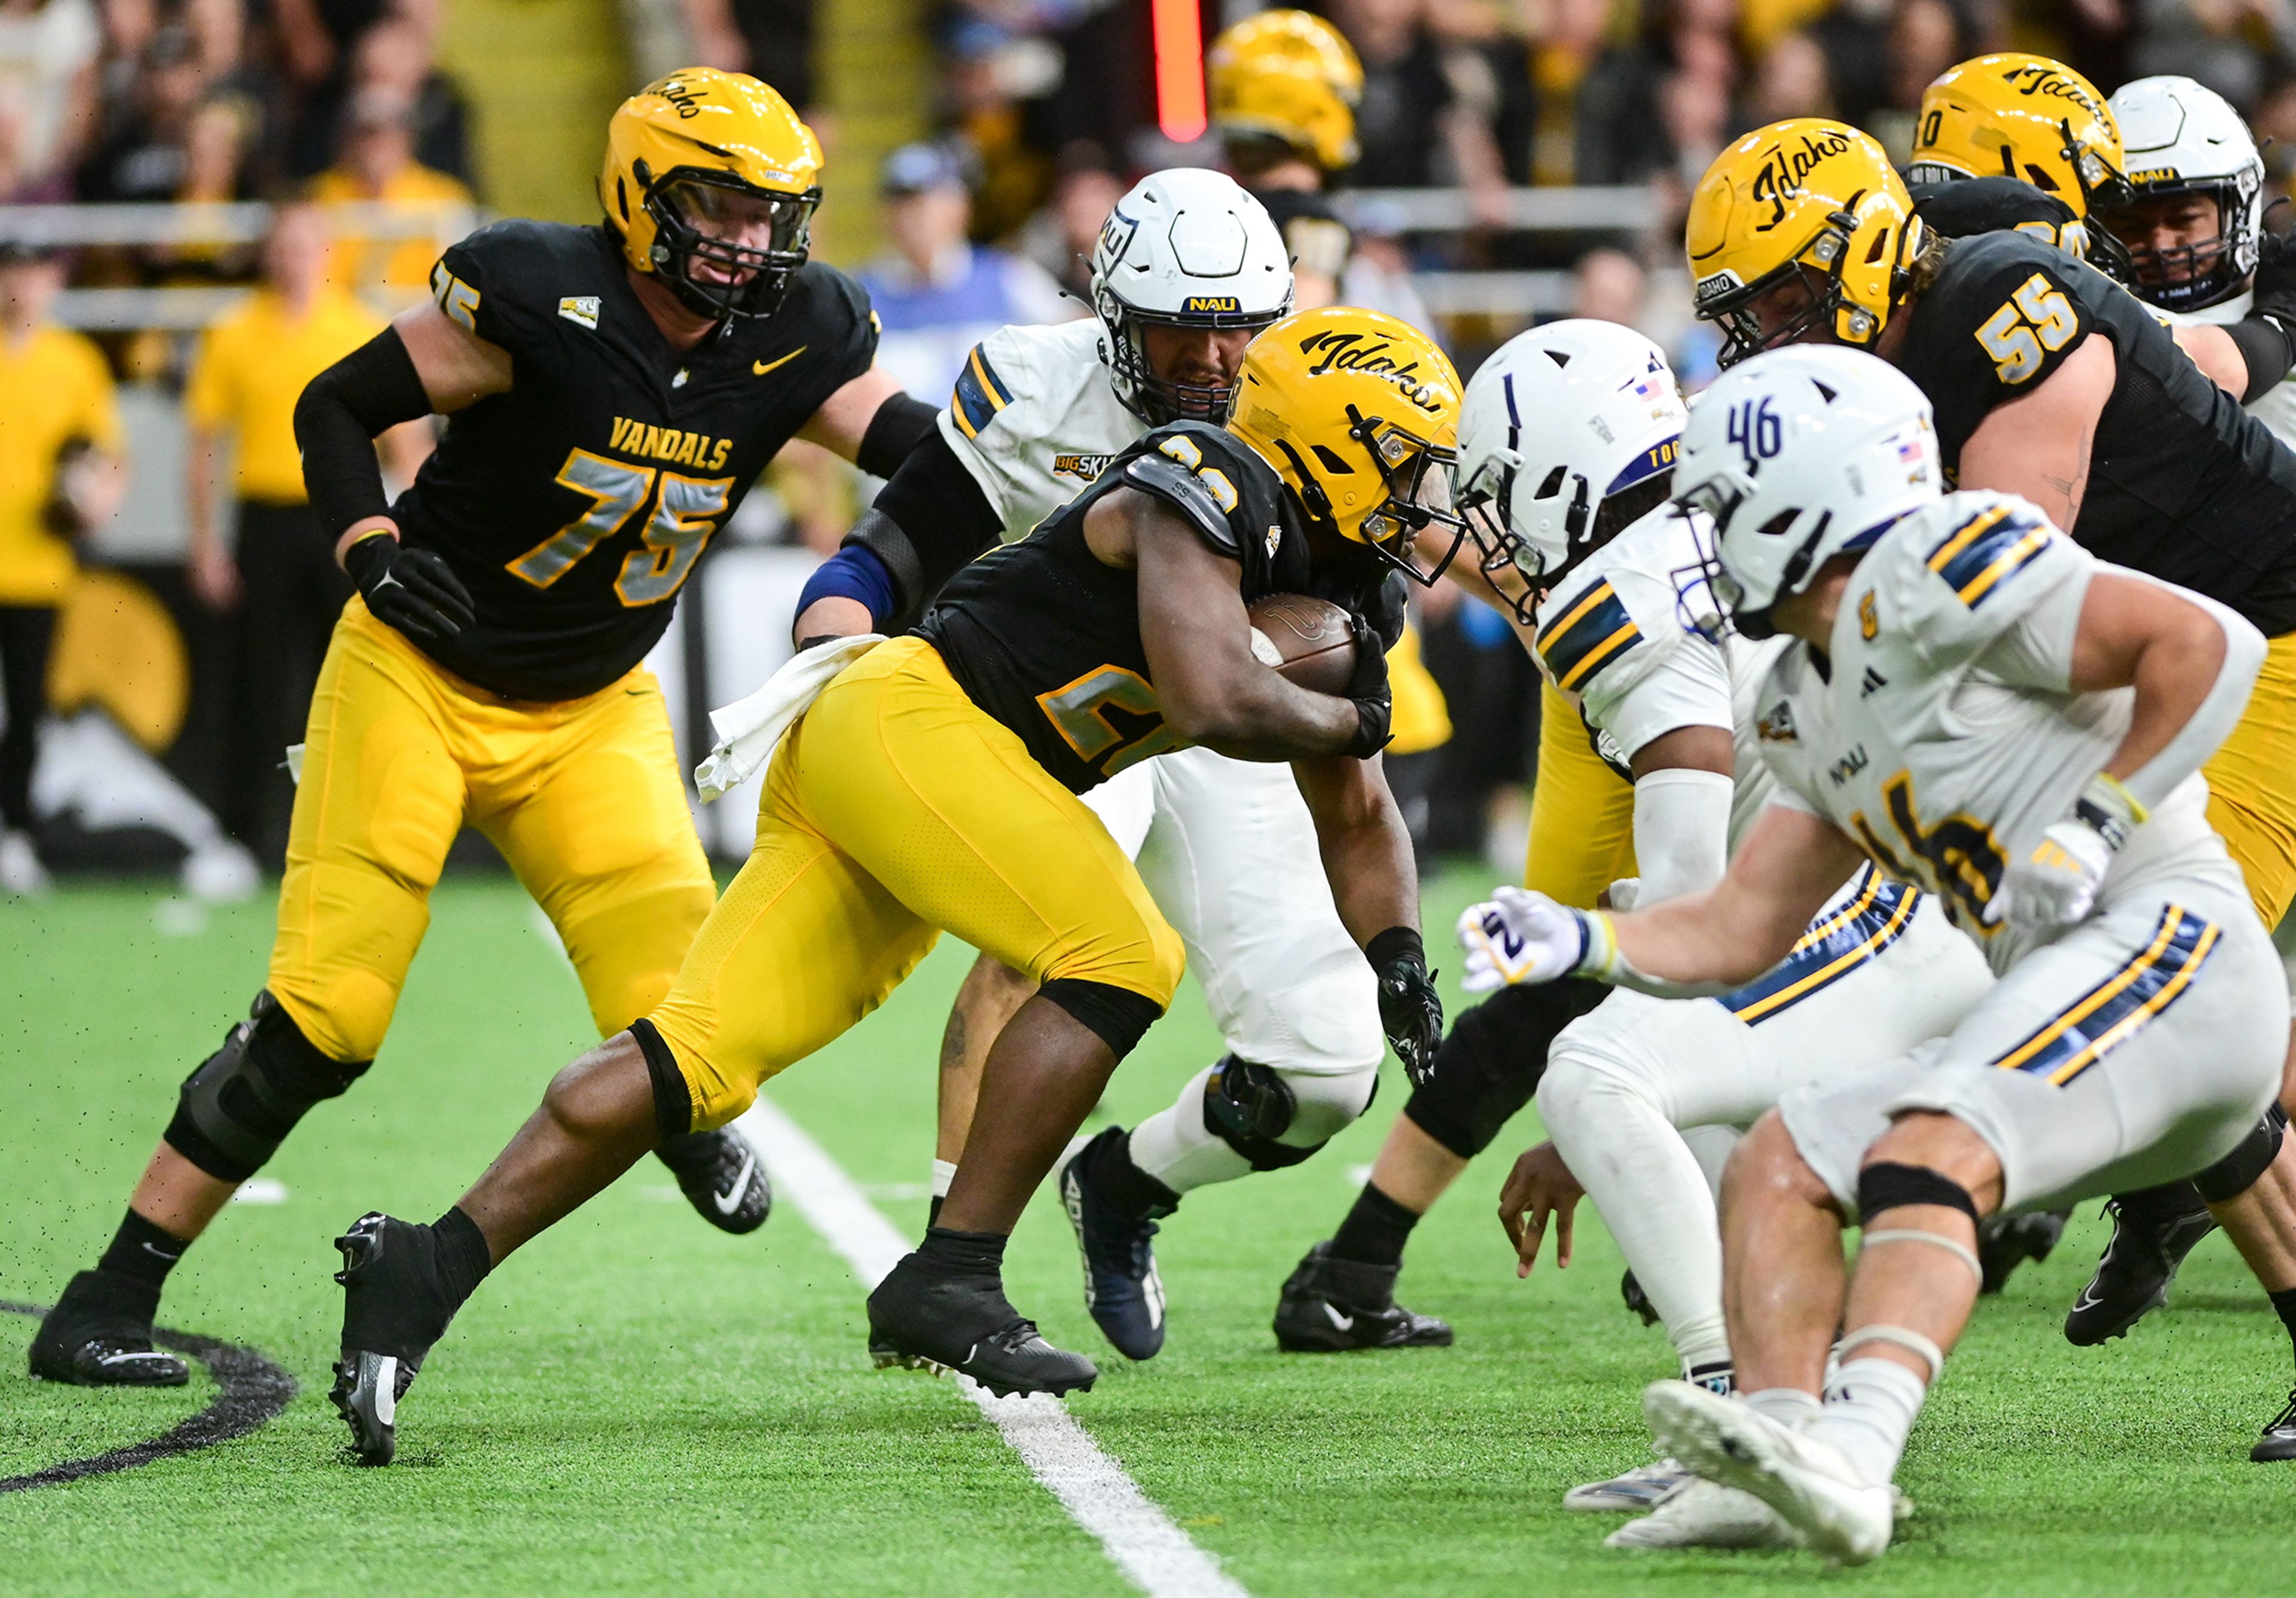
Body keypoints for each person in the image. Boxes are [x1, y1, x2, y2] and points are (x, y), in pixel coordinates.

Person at [327, 305, 1458, 1460]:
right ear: (1333, 438)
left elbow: (1356, 809)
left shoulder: (1343, 581)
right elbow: (1217, 694)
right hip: (917, 718)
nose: (1426, 498)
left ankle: (423, 1264)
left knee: (696, 1059)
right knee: (1121, 952)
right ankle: (950, 1276)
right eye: (1409, 463)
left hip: (911, 758)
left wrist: (1400, 958)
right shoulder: (1203, 473)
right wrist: (1357, 708)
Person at [27, 68, 932, 1389]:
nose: (749, 237)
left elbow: (917, 451)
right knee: (330, 1016)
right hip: (420, 672)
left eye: (769, 211)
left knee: (702, 1031)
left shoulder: (798, 331)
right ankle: (108, 1292)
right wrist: (369, 544)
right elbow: (338, 404)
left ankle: (679, 1123)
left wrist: (1044, 469)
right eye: (721, 206)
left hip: (592, 704)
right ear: (640, 193)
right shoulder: (538, 293)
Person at [1464, 345, 2283, 1561]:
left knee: (1927, 1145)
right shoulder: (1801, 692)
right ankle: (1774, 1455)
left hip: (2171, 940)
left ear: (1802, 496)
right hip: (2076, 992)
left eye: (1719, 506)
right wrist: (1580, 936)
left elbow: (2212, 646)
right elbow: (1741, 924)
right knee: (1780, 1164)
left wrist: (2098, 817)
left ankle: (1855, 1452)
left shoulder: (1943, 561)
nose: (1704, 536)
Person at [1684, 117, 2296, 1458]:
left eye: (1792, 295)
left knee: (2167, 978)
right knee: (2162, 1001)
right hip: (2165, 648)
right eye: (1754, 312)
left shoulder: (1992, 305)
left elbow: (1995, 564)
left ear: (1863, 253)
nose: (1778, 334)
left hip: (2258, 639)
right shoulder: (1907, 330)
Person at [793, 169, 1438, 1363]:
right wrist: (834, 620)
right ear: (1112, 313)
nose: (1213, 359)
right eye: (1181, 329)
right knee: (1030, 949)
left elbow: (1349, 635)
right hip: (1068, 691)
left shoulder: (1306, 401)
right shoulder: (1035, 381)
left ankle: (1129, 1179)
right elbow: (896, 540)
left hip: (1237, 703)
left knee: (1324, 1067)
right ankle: (951, 1254)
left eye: (1236, 326)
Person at [1439, 322, 1992, 1544]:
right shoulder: (1718, 517)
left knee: (1596, 1070)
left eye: (1495, 490)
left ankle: (1737, 1409)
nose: (1493, 522)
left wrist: (1603, 1017)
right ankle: (1805, 1416)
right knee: (1728, 1113)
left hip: (1876, 906)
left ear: (1551, 466)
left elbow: (1696, 869)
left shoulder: (1610, 588)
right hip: (1936, 881)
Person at [183, 200, 430, 864]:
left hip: (348, 521)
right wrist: (205, 542)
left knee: (359, 678)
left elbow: (409, 435)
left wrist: (418, 522)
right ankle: (237, 840)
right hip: (264, 515)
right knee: (256, 683)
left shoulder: (357, 327)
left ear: (328, 254)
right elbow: (206, 448)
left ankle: (362, 835)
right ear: (270, 254)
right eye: (284, 245)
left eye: (307, 245)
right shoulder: (233, 332)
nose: (295, 259)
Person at [0, 240, 121, 896]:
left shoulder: (73, 361)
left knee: (26, 710)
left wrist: (91, 498)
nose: (23, 285)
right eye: (13, 272)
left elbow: (106, 455)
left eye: (35, 273)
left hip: (36, 565)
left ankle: (15, 834)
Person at [857, 142, 1072, 403]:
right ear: (883, 215)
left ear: (961, 208)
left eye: (929, 202)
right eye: (903, 204)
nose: (917, 217)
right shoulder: (858, 297)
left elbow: (1077, 339)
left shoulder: (1007, 276)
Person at [308, 85, 474, 299]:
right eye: (364, 132)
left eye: (389, 131)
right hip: (344, 324)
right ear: (346, 138)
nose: (375, 144)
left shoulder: (445, 197)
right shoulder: (320, 196)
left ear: (408, 137)